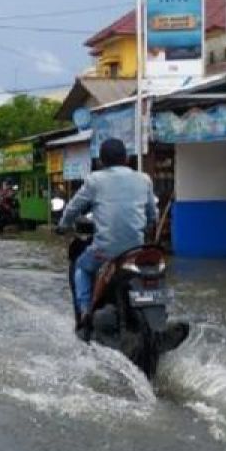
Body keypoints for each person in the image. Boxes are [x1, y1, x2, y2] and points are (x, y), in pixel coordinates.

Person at [56, 137, 157, 324]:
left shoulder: (95, 180)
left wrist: (63, 225)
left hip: (105, 250)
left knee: (81, 266)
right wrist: (150, 225)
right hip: (137, 251)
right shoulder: (144, 180)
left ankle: (85, 312)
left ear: (101, 161)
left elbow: (73, 208)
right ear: (126, 158)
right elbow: (152, 214)